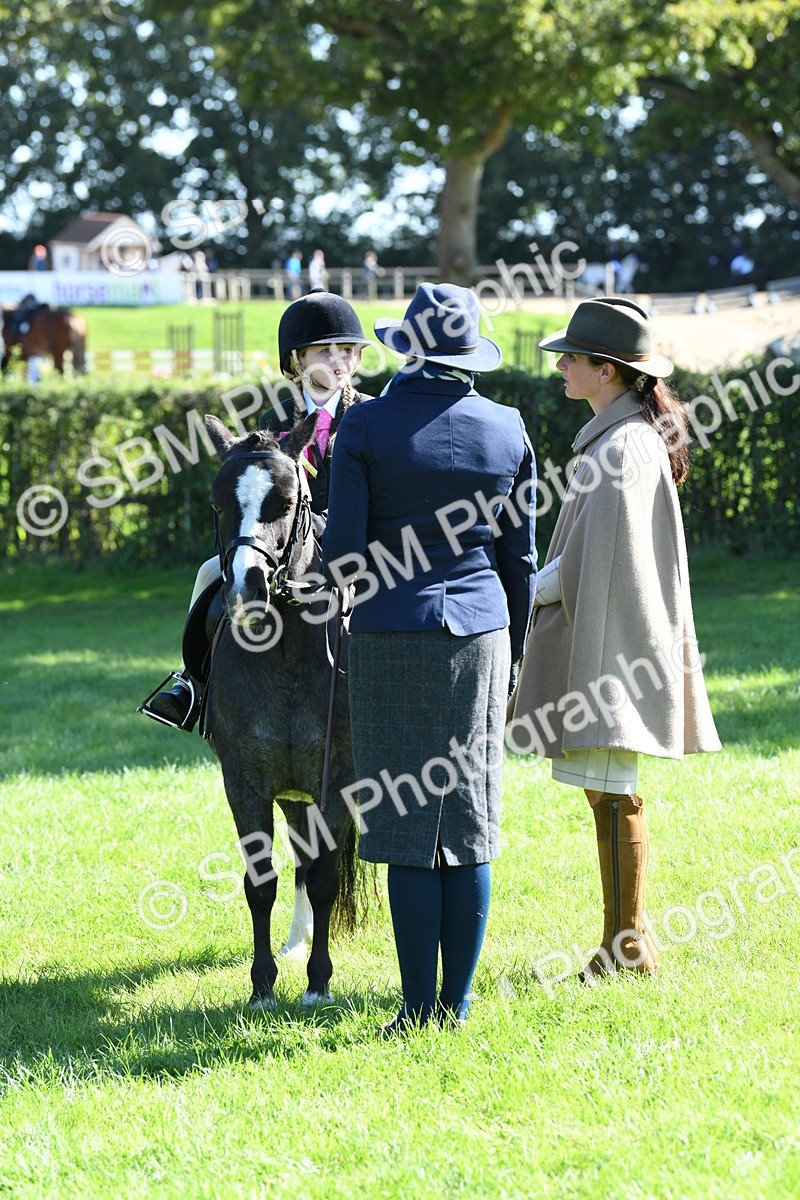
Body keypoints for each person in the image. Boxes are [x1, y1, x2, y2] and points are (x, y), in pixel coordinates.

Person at [321, 283, 537, 1033]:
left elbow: (345, 557)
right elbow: (521, 559)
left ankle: (416, 1009)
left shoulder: (368, 426)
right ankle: (459, 1003)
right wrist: (514, 651)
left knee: (408, 822)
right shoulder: (508, 428)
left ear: (408, 347)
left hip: (390, 631)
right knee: (470, 815)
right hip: (482, 632)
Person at [507, 297, 721, 981]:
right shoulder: (618, 435)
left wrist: (524, 588)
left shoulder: (623, 446)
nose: (562, 365)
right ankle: (625, 944)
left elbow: (599, 563)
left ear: (609, 370)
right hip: (614, 642)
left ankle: (627, 949)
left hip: (615, 649)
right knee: (607, 791)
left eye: (573, 357)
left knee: (613, 789)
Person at [139, 290, 372, 731]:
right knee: (210, 572)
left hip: (352, 542)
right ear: (298, 360)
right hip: (285, 545)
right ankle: (191, 686)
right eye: (326, 351)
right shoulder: (275, 417)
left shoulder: (370, 414)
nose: (340, 361)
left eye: (348, 351)